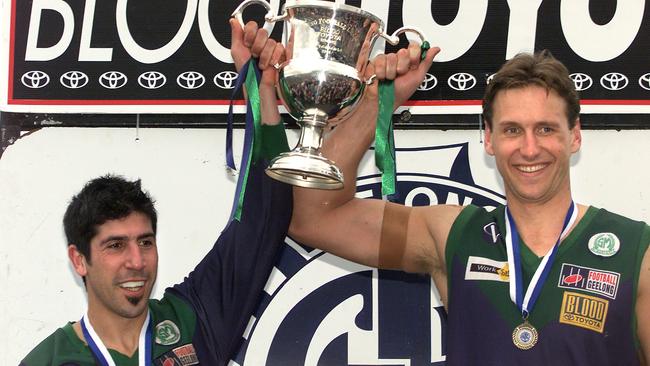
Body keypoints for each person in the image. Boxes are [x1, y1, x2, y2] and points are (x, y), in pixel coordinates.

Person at [274, 38, 650, 365]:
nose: (530, 148)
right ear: (488, 139)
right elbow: (315, 216)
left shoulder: (636, 252)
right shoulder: (453, 234)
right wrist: (376, 102)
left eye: (546, 129)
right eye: (512, 130)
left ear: (575, 136)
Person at [19, 18, 291, 366]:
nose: (137, 261)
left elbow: (264, 219)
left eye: (145, 242)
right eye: (115, 245)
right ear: (78, 259)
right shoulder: (47, 361)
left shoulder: (192, 320)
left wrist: (260, 89)